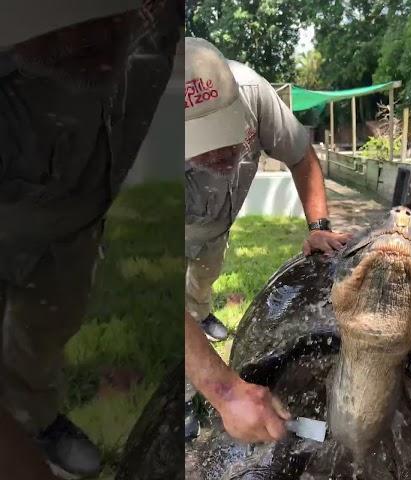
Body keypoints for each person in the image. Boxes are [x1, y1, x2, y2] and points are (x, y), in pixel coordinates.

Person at [0, 1, 182, 477]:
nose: (83, 38)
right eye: (51, 23)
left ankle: (34, 417)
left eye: (100, 14)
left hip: (76, 226)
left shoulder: (162, 22)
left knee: (47, 328)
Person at [183, 37, 351, 441]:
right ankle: (183, 398)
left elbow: (300, 155)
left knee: (204, 276)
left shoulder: (255, 93)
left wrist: (319, 227)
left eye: (225, 133)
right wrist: (223, 390)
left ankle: (200, 308)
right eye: (201, 146)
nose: (219, 152)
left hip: (215, 227)